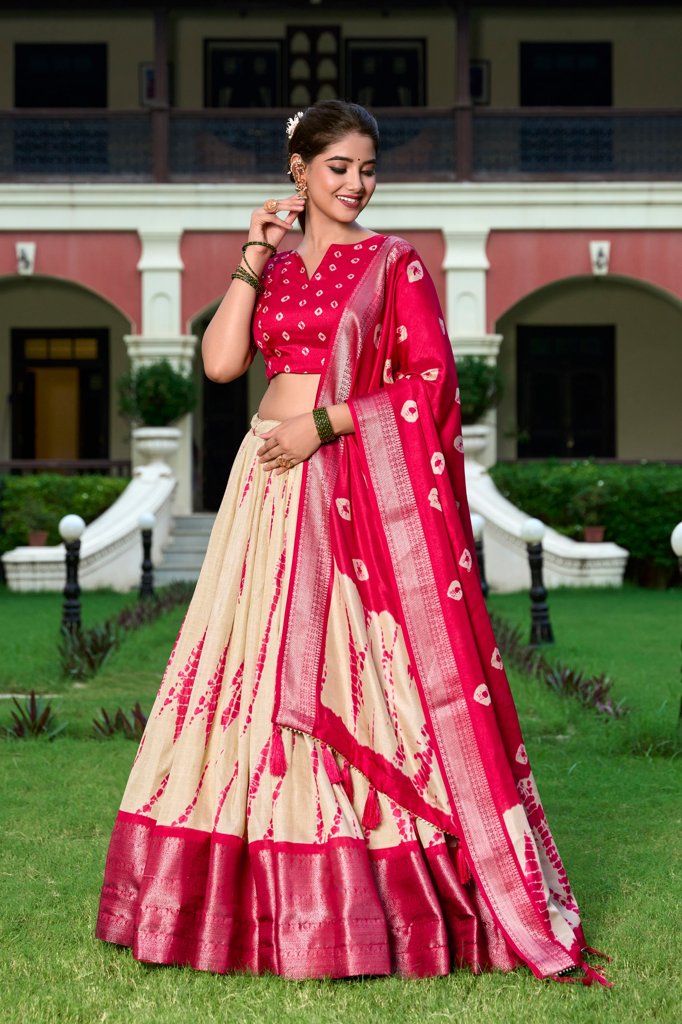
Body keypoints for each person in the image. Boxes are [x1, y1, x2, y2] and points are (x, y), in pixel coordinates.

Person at [96, 101, 610, 986]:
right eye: (337, 166)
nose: (356, 184)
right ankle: (234, 897)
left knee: (351, 674)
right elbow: (222, 365)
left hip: (342, 487)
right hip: (261, 492)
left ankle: (374, 892)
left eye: (367, 168)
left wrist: (327, 423)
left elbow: (431, 381)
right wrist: (253, 252)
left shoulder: (392, 262)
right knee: (244, 678)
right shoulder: (279, 266)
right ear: (299, 170)